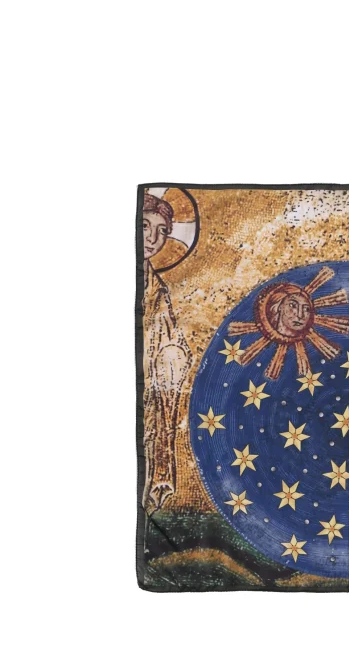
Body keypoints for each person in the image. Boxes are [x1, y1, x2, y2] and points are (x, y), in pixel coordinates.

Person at [142, 193, 192, 515]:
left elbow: (173, 342)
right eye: (145, 226)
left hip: (152, 394)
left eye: (162, 231)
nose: (152, 238)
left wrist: (172, 356)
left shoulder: (158, 291)